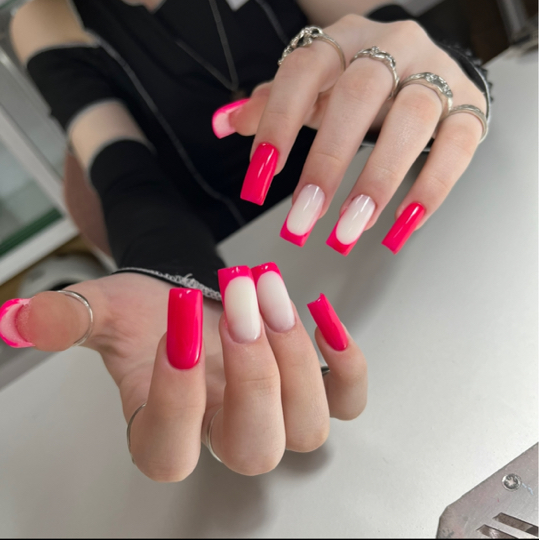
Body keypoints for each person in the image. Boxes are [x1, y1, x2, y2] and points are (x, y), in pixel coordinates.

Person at [0, 0, 491, 480]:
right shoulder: (44, 18)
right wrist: (170, 278)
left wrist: (440, 79)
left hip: (395, 242)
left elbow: (402, 47)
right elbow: (129, 181)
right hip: (237, 278)